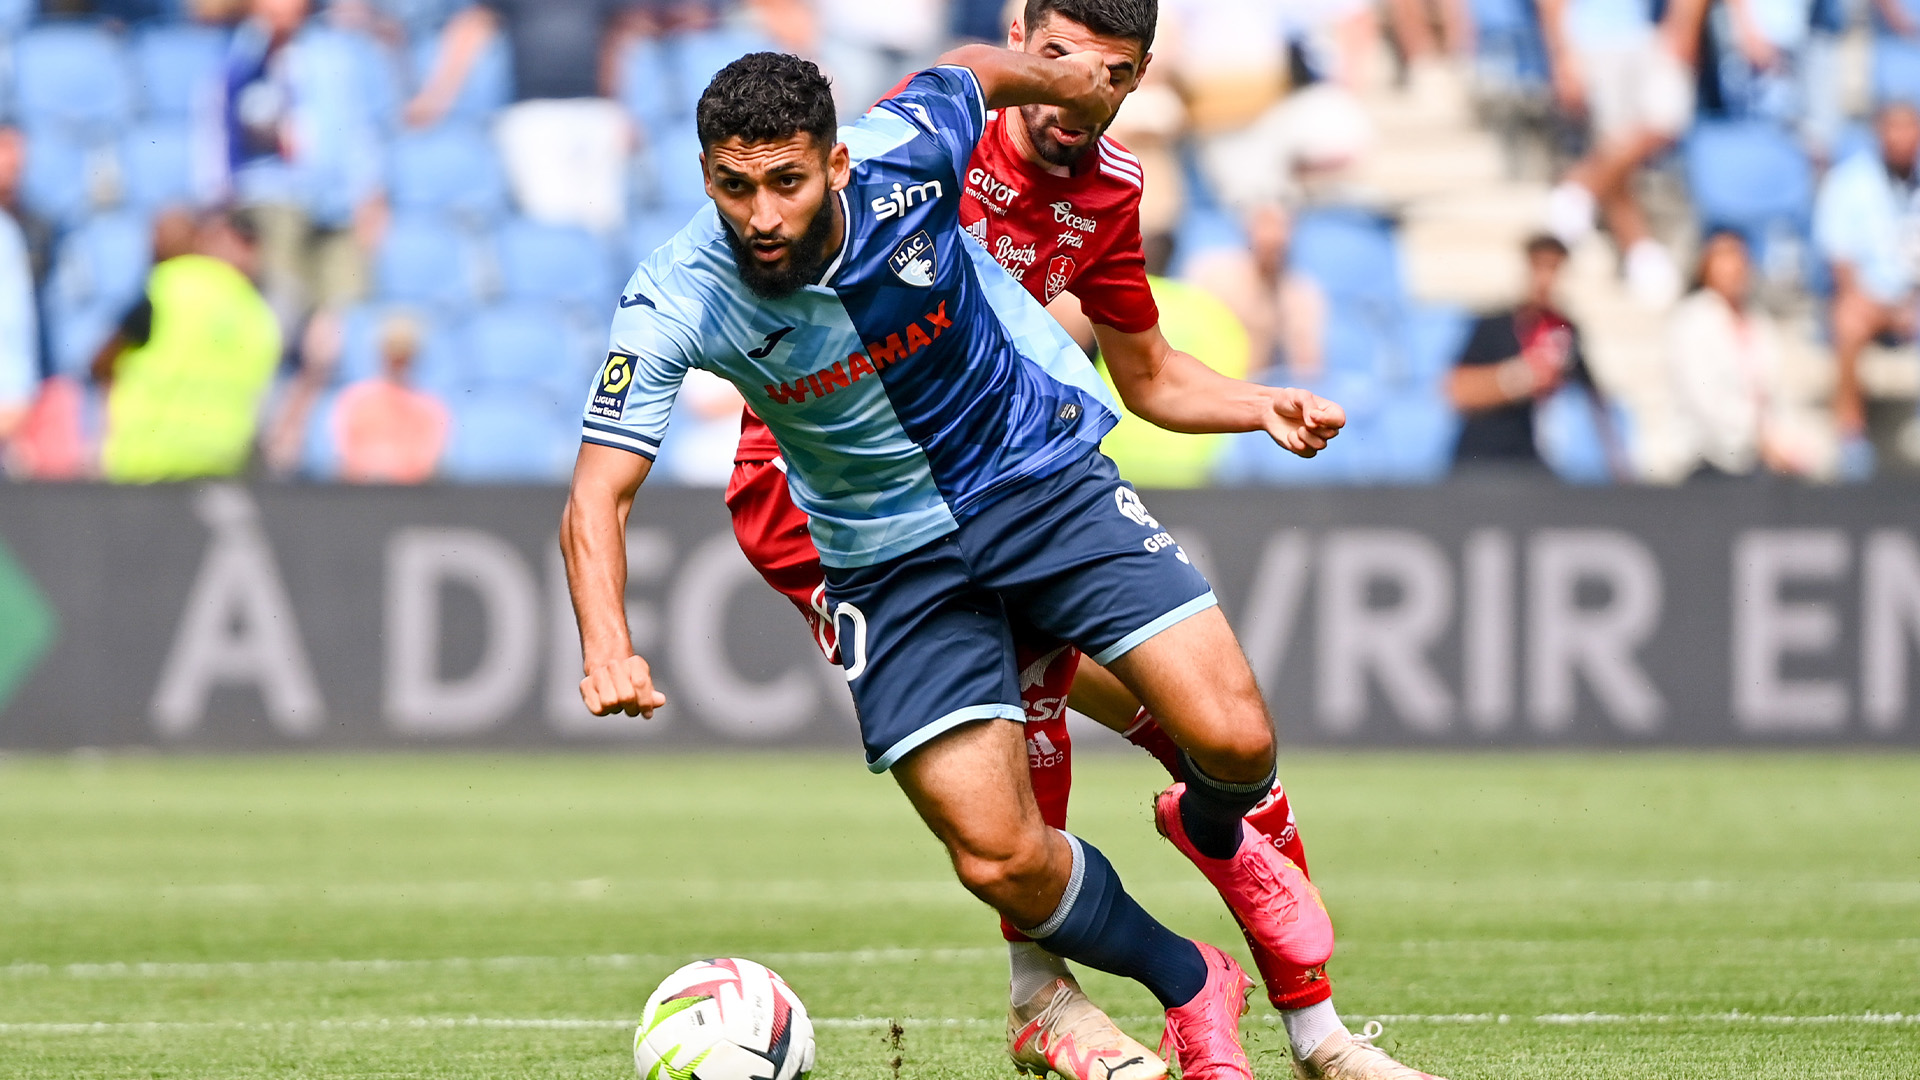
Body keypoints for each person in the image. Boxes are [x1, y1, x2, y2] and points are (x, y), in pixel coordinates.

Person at [562, 47, 1355, 1080]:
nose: (760, 216)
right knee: (999, 858)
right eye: (734, 186)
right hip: (889, 565)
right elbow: (596, 494)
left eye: (786, 183)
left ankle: (1212, 828)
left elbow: (974, 66)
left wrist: (1056, 80)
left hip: (1033, 482)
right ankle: (1191, 976)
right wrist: (608, 644)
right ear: (707, 175)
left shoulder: (911, 148)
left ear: (838, 166)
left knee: (1237, 740)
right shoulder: (675, 293)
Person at [719, 5, 1441, 1077]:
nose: (1071, 90)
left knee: (1212, 741)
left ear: (1138, 79)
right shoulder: (921, 145)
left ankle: (1313, 1036)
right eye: (1051, 57)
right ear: (1019, 41)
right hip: (839, 517)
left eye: (1107, 72)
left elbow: (1145, 373)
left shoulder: (1108, 188)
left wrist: (1258, 405)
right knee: (1024, 745)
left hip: (993, 483)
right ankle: (1058, 997)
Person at [404, 0, 647, 232]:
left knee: (605, 227)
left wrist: (622, 108)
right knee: (549, 225)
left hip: (595, 112)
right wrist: (436, 97)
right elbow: (474, 26)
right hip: (533, 117)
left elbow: (618, 36)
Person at [219, 0, 382, 327]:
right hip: (272, 194)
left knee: (347, 307)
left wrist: (370, 191)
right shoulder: (242, 55)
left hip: (333, 198)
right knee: (284, 302)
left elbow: (356, 127)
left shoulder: (330, 52)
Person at [91, 210, 283, 482]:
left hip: (145, 462)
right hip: (222, 465)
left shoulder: (170, 285)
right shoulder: (258, 313)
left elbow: (102, 358)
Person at [1539, 0, 1708, 306]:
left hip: (1646, 37)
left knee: (1662, 122)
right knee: (1613, 148)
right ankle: (1640, 251)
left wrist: (1683, 25)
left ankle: (1580, 186)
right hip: (1590, 41)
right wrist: (1562, 54)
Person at [1669, 229, 1831, 479]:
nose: (1733, 267)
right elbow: (1705, 401)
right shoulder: (1693, 322)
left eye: (1738, 257)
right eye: (1723, 258)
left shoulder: (1759, 323)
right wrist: (1758, 441)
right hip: (1711, 460)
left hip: (1761, 459)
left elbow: (1775, 398)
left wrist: (1786, 445)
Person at [1447, 234, 1614, 475]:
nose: (1545, 279)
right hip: (1483, 460)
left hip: (1534, 463)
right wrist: (1522, 377)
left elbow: (1596, 403)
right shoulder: (1495, 325)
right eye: (1539, 267)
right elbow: (1456, 390)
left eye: (1554, 268)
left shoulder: (1566, 331)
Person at [1812, 100, 1920, 461]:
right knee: (1848, 318)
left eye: (1909, 128)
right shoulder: (1849, 183)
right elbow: (1843, 267)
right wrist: (1886, 308)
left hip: (1913, 302)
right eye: (1894, 128)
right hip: (1870, 299)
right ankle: (1851, 434)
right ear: (1878, 133)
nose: (1902, 138)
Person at [332, 313, 450, 483]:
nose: (398, 361)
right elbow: (345, 459)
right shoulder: (354, 401)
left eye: (404, 354)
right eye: (393, 353)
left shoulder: (431, 408)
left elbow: (428, 463)